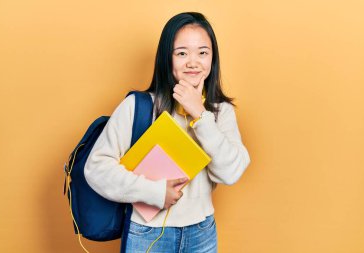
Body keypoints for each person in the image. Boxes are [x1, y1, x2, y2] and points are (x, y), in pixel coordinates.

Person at [84, 12, 251, 253]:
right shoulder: (138, 107)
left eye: (202, 52)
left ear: (212, 59)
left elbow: (230, 173)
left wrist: (200, 115)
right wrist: (154, 192)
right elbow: (96, 168)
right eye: (182, 53)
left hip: (202, 232)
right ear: (167, 58)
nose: (193, 62)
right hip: (146, 233)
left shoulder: (220, 112)